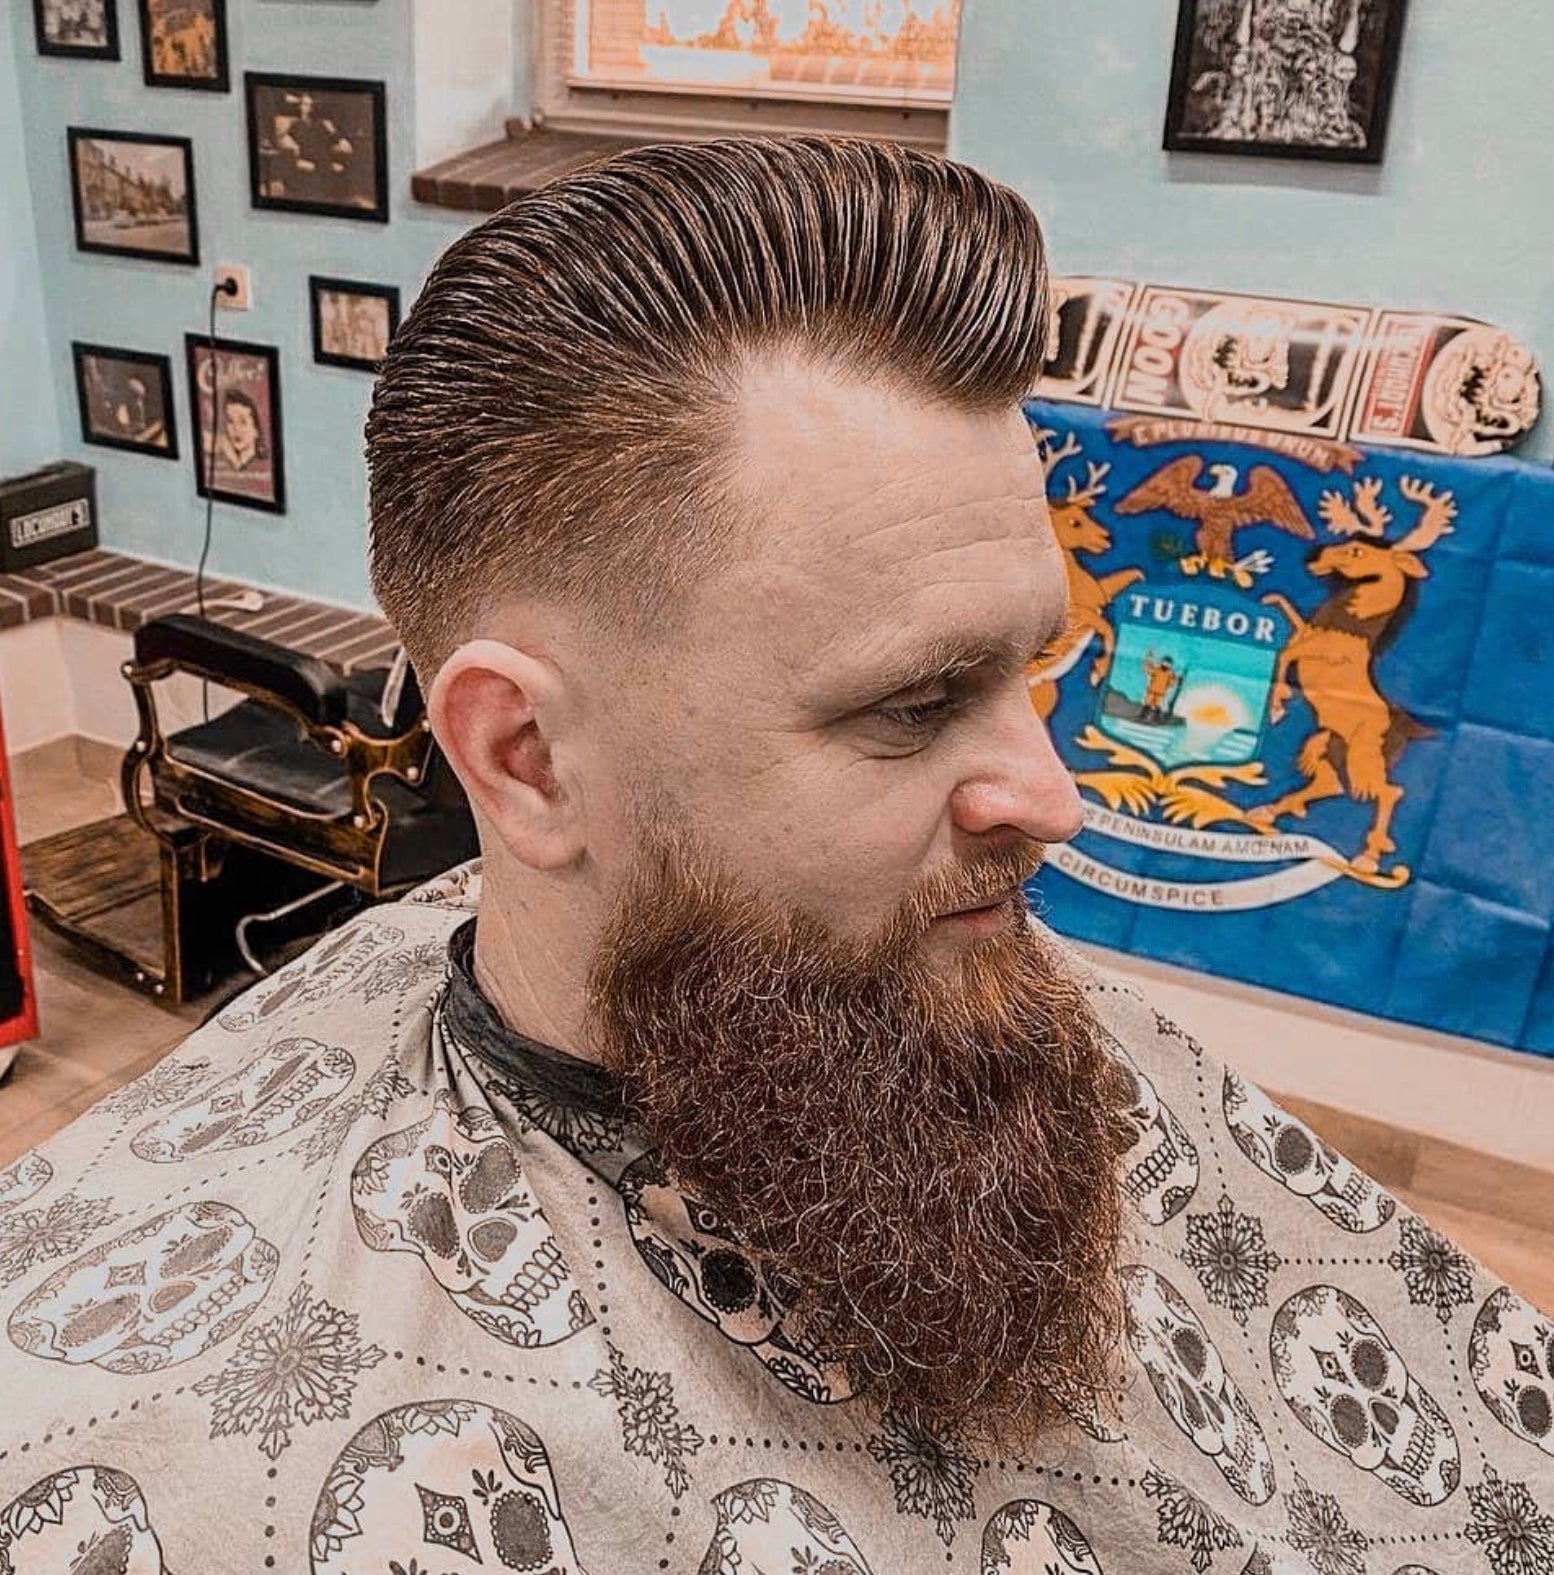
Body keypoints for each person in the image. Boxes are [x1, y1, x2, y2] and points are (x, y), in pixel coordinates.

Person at [0, 136, 1549, 1572]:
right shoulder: (156, 1456)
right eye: (911, 706)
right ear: (525, 758)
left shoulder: (964, 994)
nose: (1053, 796)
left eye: (1031, 670)